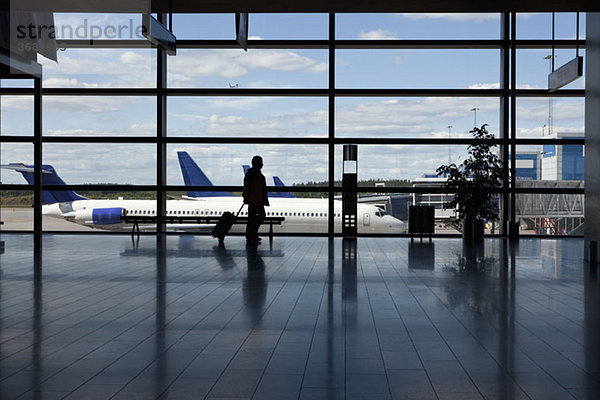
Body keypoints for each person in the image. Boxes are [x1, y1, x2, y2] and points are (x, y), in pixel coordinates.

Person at [243, 155, 269, 244]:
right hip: (256, 200)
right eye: (261, 163)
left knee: (252, 218)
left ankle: (251, 234)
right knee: (259, 216)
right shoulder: (256, 175)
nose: (262, 165)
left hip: (254, 200)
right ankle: (252, 234)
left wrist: (246, 197)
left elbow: (247, 187)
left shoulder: (251, 174)